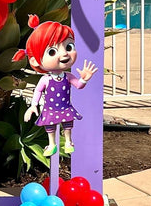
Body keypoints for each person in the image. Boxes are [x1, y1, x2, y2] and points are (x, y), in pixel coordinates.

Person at [12, 14, 98, 156]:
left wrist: (84, 79)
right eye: (52, 51)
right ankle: (51, 144)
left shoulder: (68, 76)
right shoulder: (45, 79)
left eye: (69, 46)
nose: (64, 54)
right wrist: (33, 105)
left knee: (68, 124)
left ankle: (68, 141)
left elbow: (79, 85)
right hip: (50, 109)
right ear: (34, 61)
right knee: (50, 126)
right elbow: (38, 92)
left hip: (65, 107)